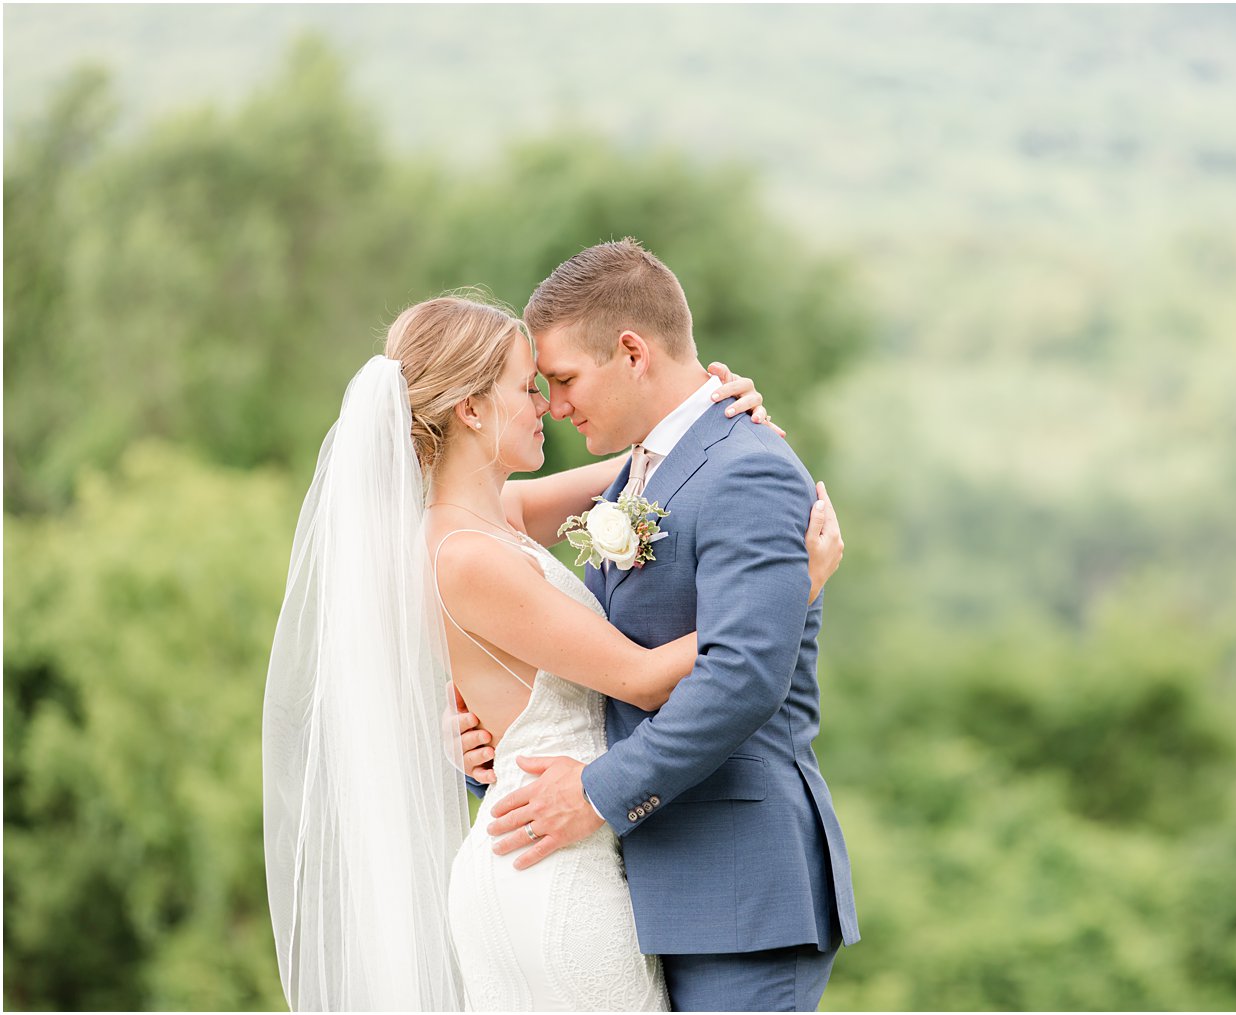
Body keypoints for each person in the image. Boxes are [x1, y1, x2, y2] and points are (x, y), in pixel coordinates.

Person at [263, 292, 843, 1011]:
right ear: (472, 409)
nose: (548, 405)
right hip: (553, 872)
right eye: (527, 387)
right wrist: (793, 588)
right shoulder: (464, 554)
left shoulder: (493, 517)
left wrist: (714, 402)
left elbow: (659, 471)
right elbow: (638, 678)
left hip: (530, 855)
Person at [458, 238, 859, 1012]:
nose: (557, 404)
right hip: (640, 888)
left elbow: (743, 676)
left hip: (737, 894)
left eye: (566, 378)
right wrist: (486, 732)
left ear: (632, 351)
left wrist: (596, 793)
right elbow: (586, 657)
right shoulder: (636, 473)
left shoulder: (749, 466)